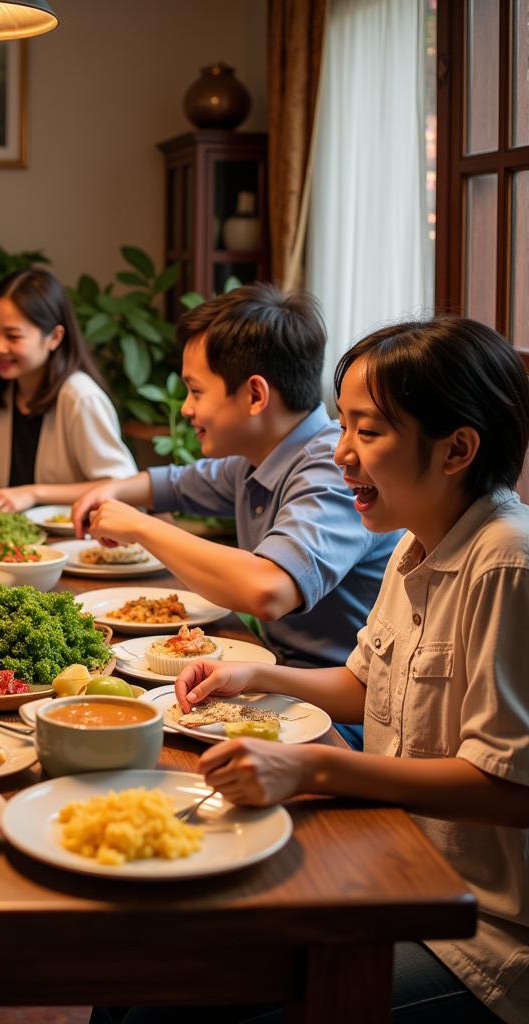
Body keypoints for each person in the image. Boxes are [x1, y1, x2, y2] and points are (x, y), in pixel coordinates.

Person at [154, 317, 528, 1023]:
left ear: (457, 449)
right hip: (398, 864)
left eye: (368, 431)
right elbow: (366, 688)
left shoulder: (507, 561)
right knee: (160, 981)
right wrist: (256, 677)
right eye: (344, 427)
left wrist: (315, 769)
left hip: (483, 936)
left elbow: (509, 788)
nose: (343, 455)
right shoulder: (415, 542)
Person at [72, 284, 400, 747]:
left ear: (254, 395)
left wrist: (139, 525)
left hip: (341, 717)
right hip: (276, 680)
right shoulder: (262, 456)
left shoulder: (331, 468)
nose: (186, 408)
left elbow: (267, 590)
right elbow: (171, 483)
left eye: (195, 390)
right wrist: (103, 493)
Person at [0, 267, 138, 512]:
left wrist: (35, 493)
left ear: (55, 337)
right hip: (12, 543)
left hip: (79, 543)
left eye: (13, 336)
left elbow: (122, 489)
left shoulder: (81, 397)